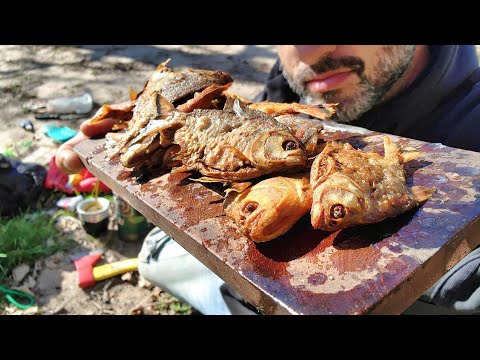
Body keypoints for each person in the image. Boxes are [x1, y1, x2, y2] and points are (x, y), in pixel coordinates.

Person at [56, 45, 480, 314]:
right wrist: (147, 125)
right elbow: (243, 134)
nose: (311, 50)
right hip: (243, 280)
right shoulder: (293, 84)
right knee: (156, 254)